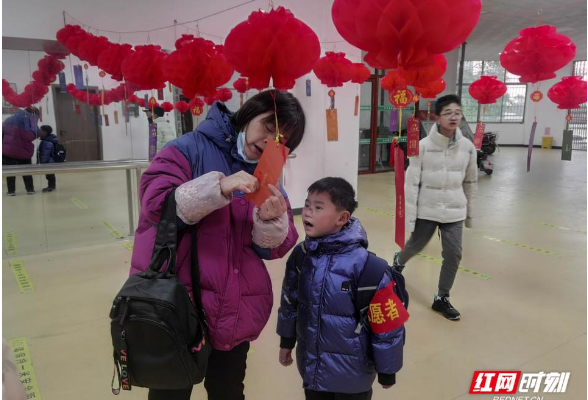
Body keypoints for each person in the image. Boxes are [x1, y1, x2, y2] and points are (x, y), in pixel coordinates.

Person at [131, 90, 306, 400]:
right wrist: (219, 187)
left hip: (234, 306)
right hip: (178, 301)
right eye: (267, 126)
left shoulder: (268, 169)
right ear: (250, 113)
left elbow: (274, 246)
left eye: (281, 139)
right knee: (170, 390)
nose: (270, 141)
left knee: (227, 390)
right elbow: (156, 204)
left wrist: (270, 220)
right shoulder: (188, 148)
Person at [277, 177, 406, 400]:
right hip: (313, 370)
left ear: (342, 218)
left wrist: (387, 370)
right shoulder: (301, 256)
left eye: (318, 207)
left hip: (353, 376)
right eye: (307, 205)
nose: (308, 212)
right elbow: (290, 303)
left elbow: (387, 324)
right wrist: (287, 341)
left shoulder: (369, 268)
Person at [393, 94, 477, 321]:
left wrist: (469, 214)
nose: (453, 117)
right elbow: (411, 183)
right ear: (437, 117)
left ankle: (442, 298)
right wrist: (410, 218)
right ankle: (398, 262)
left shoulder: (468, 147)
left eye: (457, 113)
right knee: (414, 246)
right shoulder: (422, 146)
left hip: (454, 210)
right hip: (427, 209)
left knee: (454, 254)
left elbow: (470, 181)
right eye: (448, 113)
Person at [2, 108, 39, 196]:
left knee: (10, 171)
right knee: (26, 170)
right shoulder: (32, 121)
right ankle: (30, 189)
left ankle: (11, 191)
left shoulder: (9, 119)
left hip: (9, 150)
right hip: (24, 151)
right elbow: (35, 134)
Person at [37, 125, 58, 192]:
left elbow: (46, 153)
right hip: (49, 160)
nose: (39, 132)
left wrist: (42, 162)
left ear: (45, 132)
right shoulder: (48, 140)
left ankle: (51, 186)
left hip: (48, 161)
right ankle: (52, 186)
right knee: (50, 174)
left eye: (41, 130)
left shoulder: (47, 142)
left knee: (49, 174)